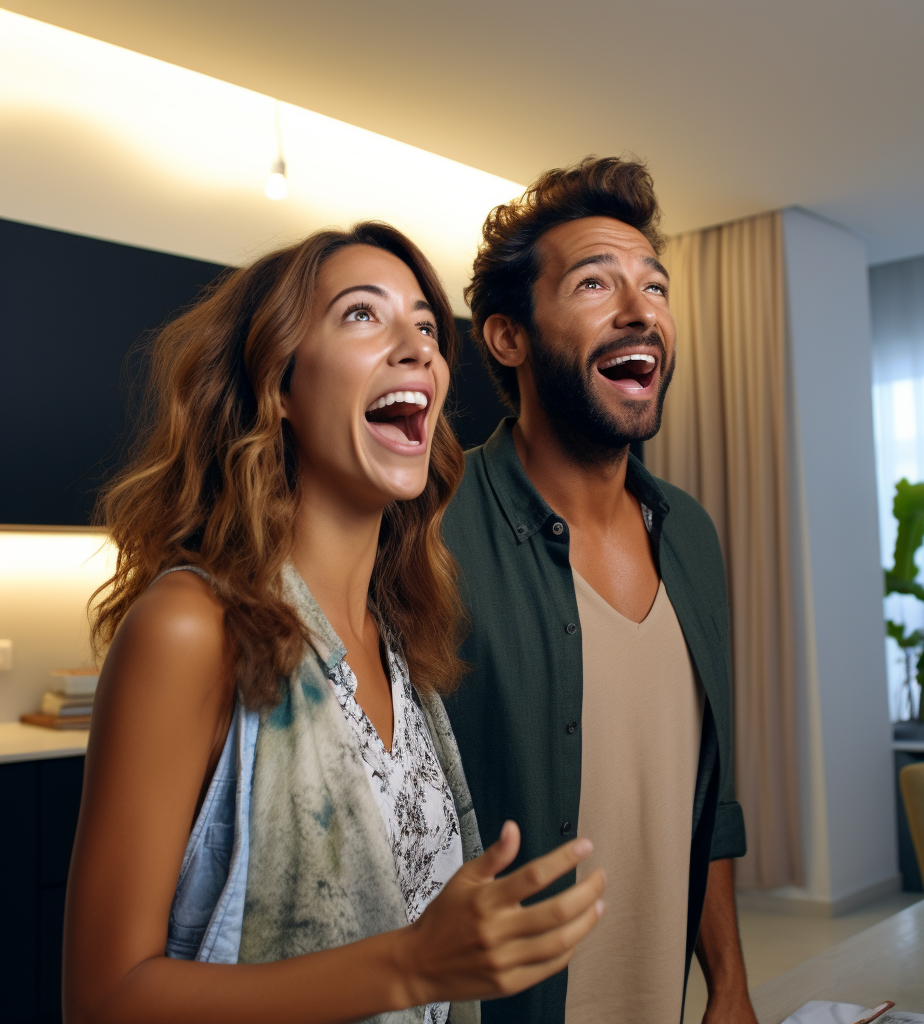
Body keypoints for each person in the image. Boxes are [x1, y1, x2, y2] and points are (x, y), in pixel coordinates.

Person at [64, 223, 605, 1024]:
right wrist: (410, 966)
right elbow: (103, 1000)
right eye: (363, 315)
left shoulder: (403, 646)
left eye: (426, 325)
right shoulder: (193, 628)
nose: (418, 347)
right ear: (278, 385)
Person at [442, 158, 756, 1024]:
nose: (640, 311)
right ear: (508, 338)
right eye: (595, 283)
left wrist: (727, 982)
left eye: (654, 287)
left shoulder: (688, 532)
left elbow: (706, 799)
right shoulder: (430, 529)